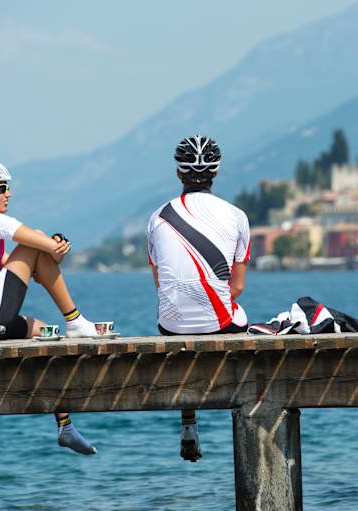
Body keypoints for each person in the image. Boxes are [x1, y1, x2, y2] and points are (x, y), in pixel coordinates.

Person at [0, 159, 98, 455]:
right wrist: (56, 243)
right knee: (32, 241)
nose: (8, 193)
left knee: (44, 332)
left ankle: (65, 426)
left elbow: (35, 263)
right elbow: (45, 250)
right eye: (1, 188)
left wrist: (49, 248)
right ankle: (75, 320)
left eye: (8, 187)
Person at [147, 135, 251, 461]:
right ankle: (244, 408)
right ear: (216, 172)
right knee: (239, 317)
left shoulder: (157, 217)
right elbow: (237, 287)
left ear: (178, 173)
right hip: (219, 323)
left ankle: (188, 420)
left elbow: (160, 283)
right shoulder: (236, 216)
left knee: (182, 324)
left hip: (170, 323)